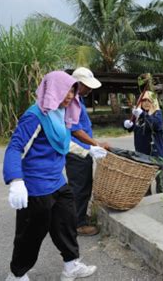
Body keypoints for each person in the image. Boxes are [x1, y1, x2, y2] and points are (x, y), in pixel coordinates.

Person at [3, 71, 99, 281]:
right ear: (53, 89)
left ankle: (71, 266)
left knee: (66, 224)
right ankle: (17, 275)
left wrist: (88, 151)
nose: (70, 96)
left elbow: (62, 143)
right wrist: (16, 180)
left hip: (58, 183)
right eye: (66, 91)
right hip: (36, 188)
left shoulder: (60, 113)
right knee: (30, 234)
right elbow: (15, 148)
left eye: (73, 91)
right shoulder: (35, 116)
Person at [65, 67, 109, 236]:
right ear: (77, 83)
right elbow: (76, 130)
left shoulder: (79, 99)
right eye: (87, 86)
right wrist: (95, 144)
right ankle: (78, 224)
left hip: (83, 148)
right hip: (77, 150)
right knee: (80, 187)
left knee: (82, 184)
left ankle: (78, 216)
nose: (90, 90)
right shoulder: (72, 101)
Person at [123, 91, 163, 193]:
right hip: (142, 156)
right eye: (144, 100)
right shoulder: (138, 115)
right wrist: (129, 126)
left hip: (156, 156)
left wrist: (143, 114)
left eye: (149, 100)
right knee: (143, 188)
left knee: (162, 187)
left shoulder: (157, 114)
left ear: (154, 102)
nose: (146, 103)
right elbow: (136, 128)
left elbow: (156, 125)